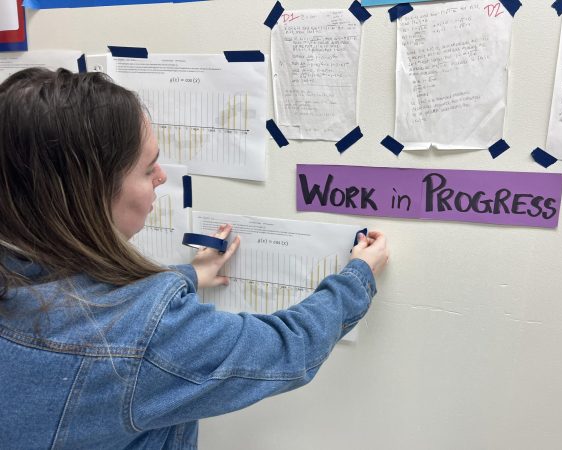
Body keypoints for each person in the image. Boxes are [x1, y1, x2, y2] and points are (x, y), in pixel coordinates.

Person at [0, 68, 389, 449]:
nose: (162, 178)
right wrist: (357, 277)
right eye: (148, 167)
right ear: (89, 193)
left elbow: (74, 304)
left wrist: (187, 275)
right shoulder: (139, 338)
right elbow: (289, 349)